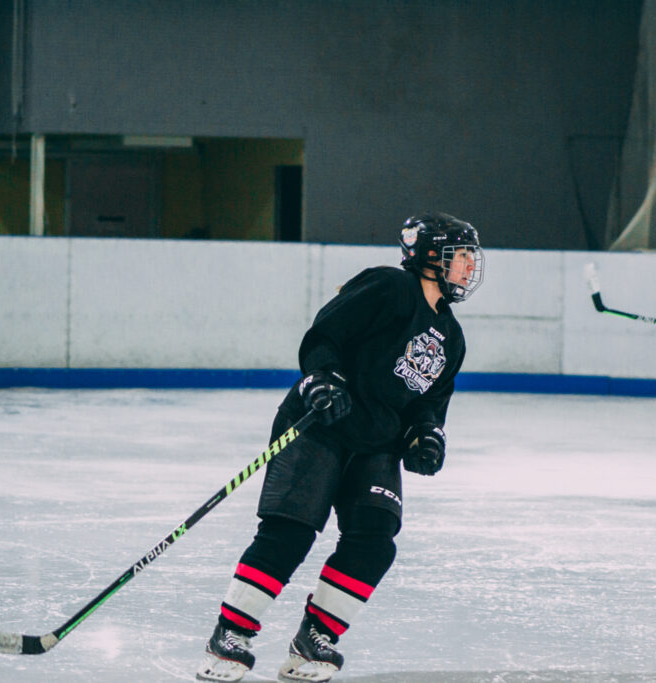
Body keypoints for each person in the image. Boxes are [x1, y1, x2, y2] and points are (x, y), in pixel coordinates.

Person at [196, 212, 484, 682]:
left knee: (375, 540)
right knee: (290, 532)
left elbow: (431, 402)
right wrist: (322, 376)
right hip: (322, 424)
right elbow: (325, 333)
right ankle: (230, 634)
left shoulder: (452, 336)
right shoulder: (389, 286)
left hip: (376, 444)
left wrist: (427, 433)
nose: (470, 267)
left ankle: (314, 638)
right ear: (432, 255)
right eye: (463, 255)